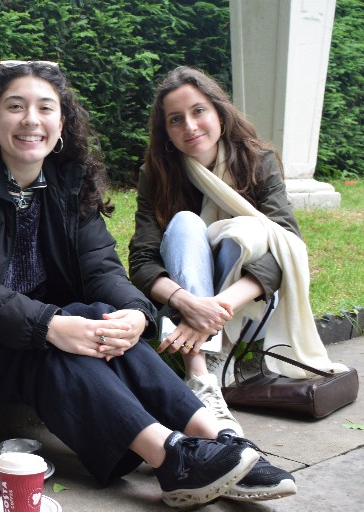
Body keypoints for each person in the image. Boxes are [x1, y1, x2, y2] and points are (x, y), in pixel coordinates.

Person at [0, 60, 295, 508]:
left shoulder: (67, 181)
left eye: (45, 108)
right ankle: (171, 458)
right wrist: (51, 326)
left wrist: (136, 313)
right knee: (53, 344)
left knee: (103, 319)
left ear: (61, 123)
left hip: (44, 326)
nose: (31, 120)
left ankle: (219, 441)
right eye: (15, 107)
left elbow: (102, 267)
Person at [128, 65, 349, 435]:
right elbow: (142, 261)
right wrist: (190, 302)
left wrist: (217, 307)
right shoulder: (157, 172)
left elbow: (287, 242)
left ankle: (211, 354)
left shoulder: (256, 160)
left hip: (248, 306)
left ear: (219, 113)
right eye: (176, 119)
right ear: (165, 131)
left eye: (199, 111)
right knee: (184, 223)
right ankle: (202, 375)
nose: (191, 126)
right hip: (183, 302)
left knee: (248, 231)